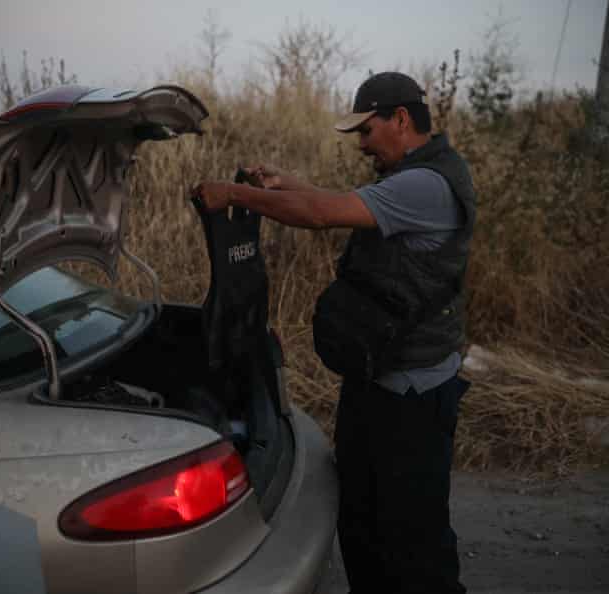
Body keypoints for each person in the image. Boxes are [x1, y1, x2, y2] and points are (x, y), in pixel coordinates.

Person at [192, 71, 475, 594]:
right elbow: (341, 199)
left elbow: (324, 214)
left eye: (366, 132)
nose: (363, 146)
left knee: (414, 543)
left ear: (401, 120)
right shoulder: (413, 174)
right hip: (378, 380)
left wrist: (233, 195)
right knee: (363, 527)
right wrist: (282, 185)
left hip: (411, 399)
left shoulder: (426, 185)